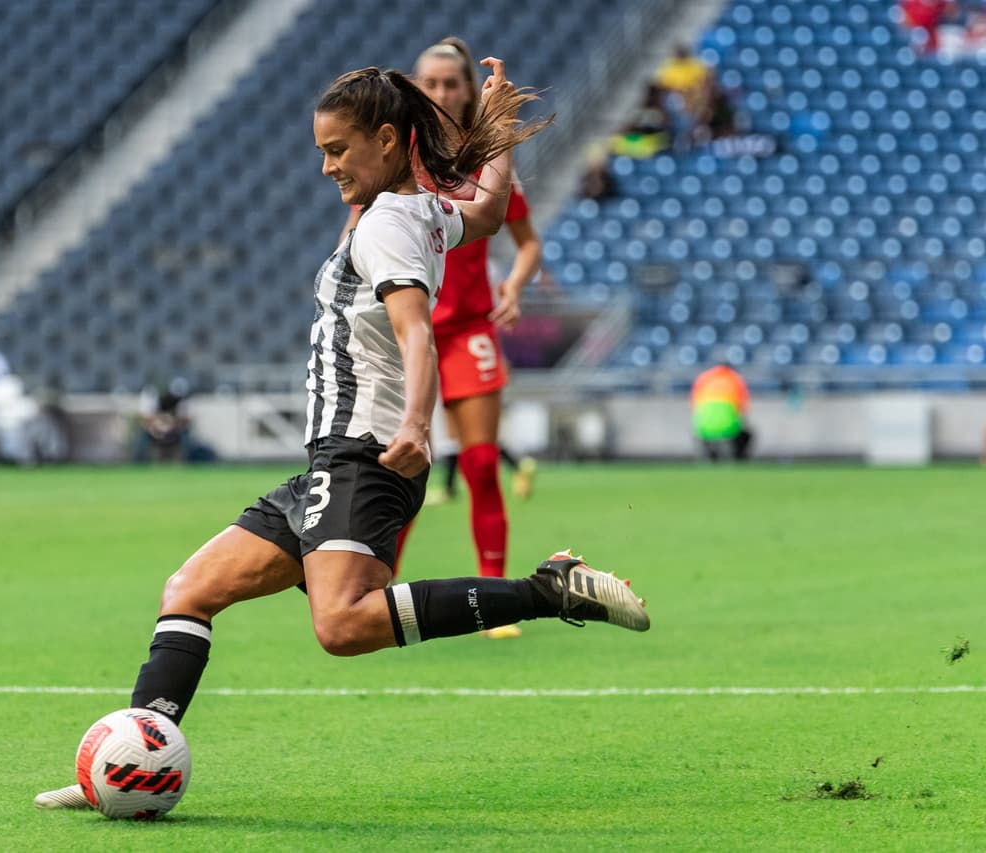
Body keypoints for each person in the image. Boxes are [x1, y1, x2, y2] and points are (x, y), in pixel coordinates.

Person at [35, 57, 649, 810]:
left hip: (366, 454)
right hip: (332, 459)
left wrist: (421, 421)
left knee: (343, 624)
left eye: (338, 149)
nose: (325, 165)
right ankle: (131, 760)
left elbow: (417, 336)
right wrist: (499, 131)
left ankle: (546, 591)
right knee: (189, 590)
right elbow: (487, 214)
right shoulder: (419, 210)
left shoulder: (390, 222)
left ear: (388, 140)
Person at [339, 38, 543, 638]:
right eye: (429, 83)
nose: (442, 92)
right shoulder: (397, 166)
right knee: (400, 468)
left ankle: (495, 596)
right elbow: (356, 239)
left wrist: (515, 286)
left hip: (468, 330)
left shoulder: (488, 160)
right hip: (407, 340)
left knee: (480, 463)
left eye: (452, 82)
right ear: (415, 90)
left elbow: (521, 236)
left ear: (466, 87)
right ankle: (375, 592)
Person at [691, 362, 754, 461]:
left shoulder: (704, 378)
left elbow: (695, 404)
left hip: (704, 428)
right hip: (729, 428)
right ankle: (738, 458)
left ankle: (710, 455)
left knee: (701, 432)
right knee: (746, 435)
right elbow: (742, 408)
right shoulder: (735, 379)